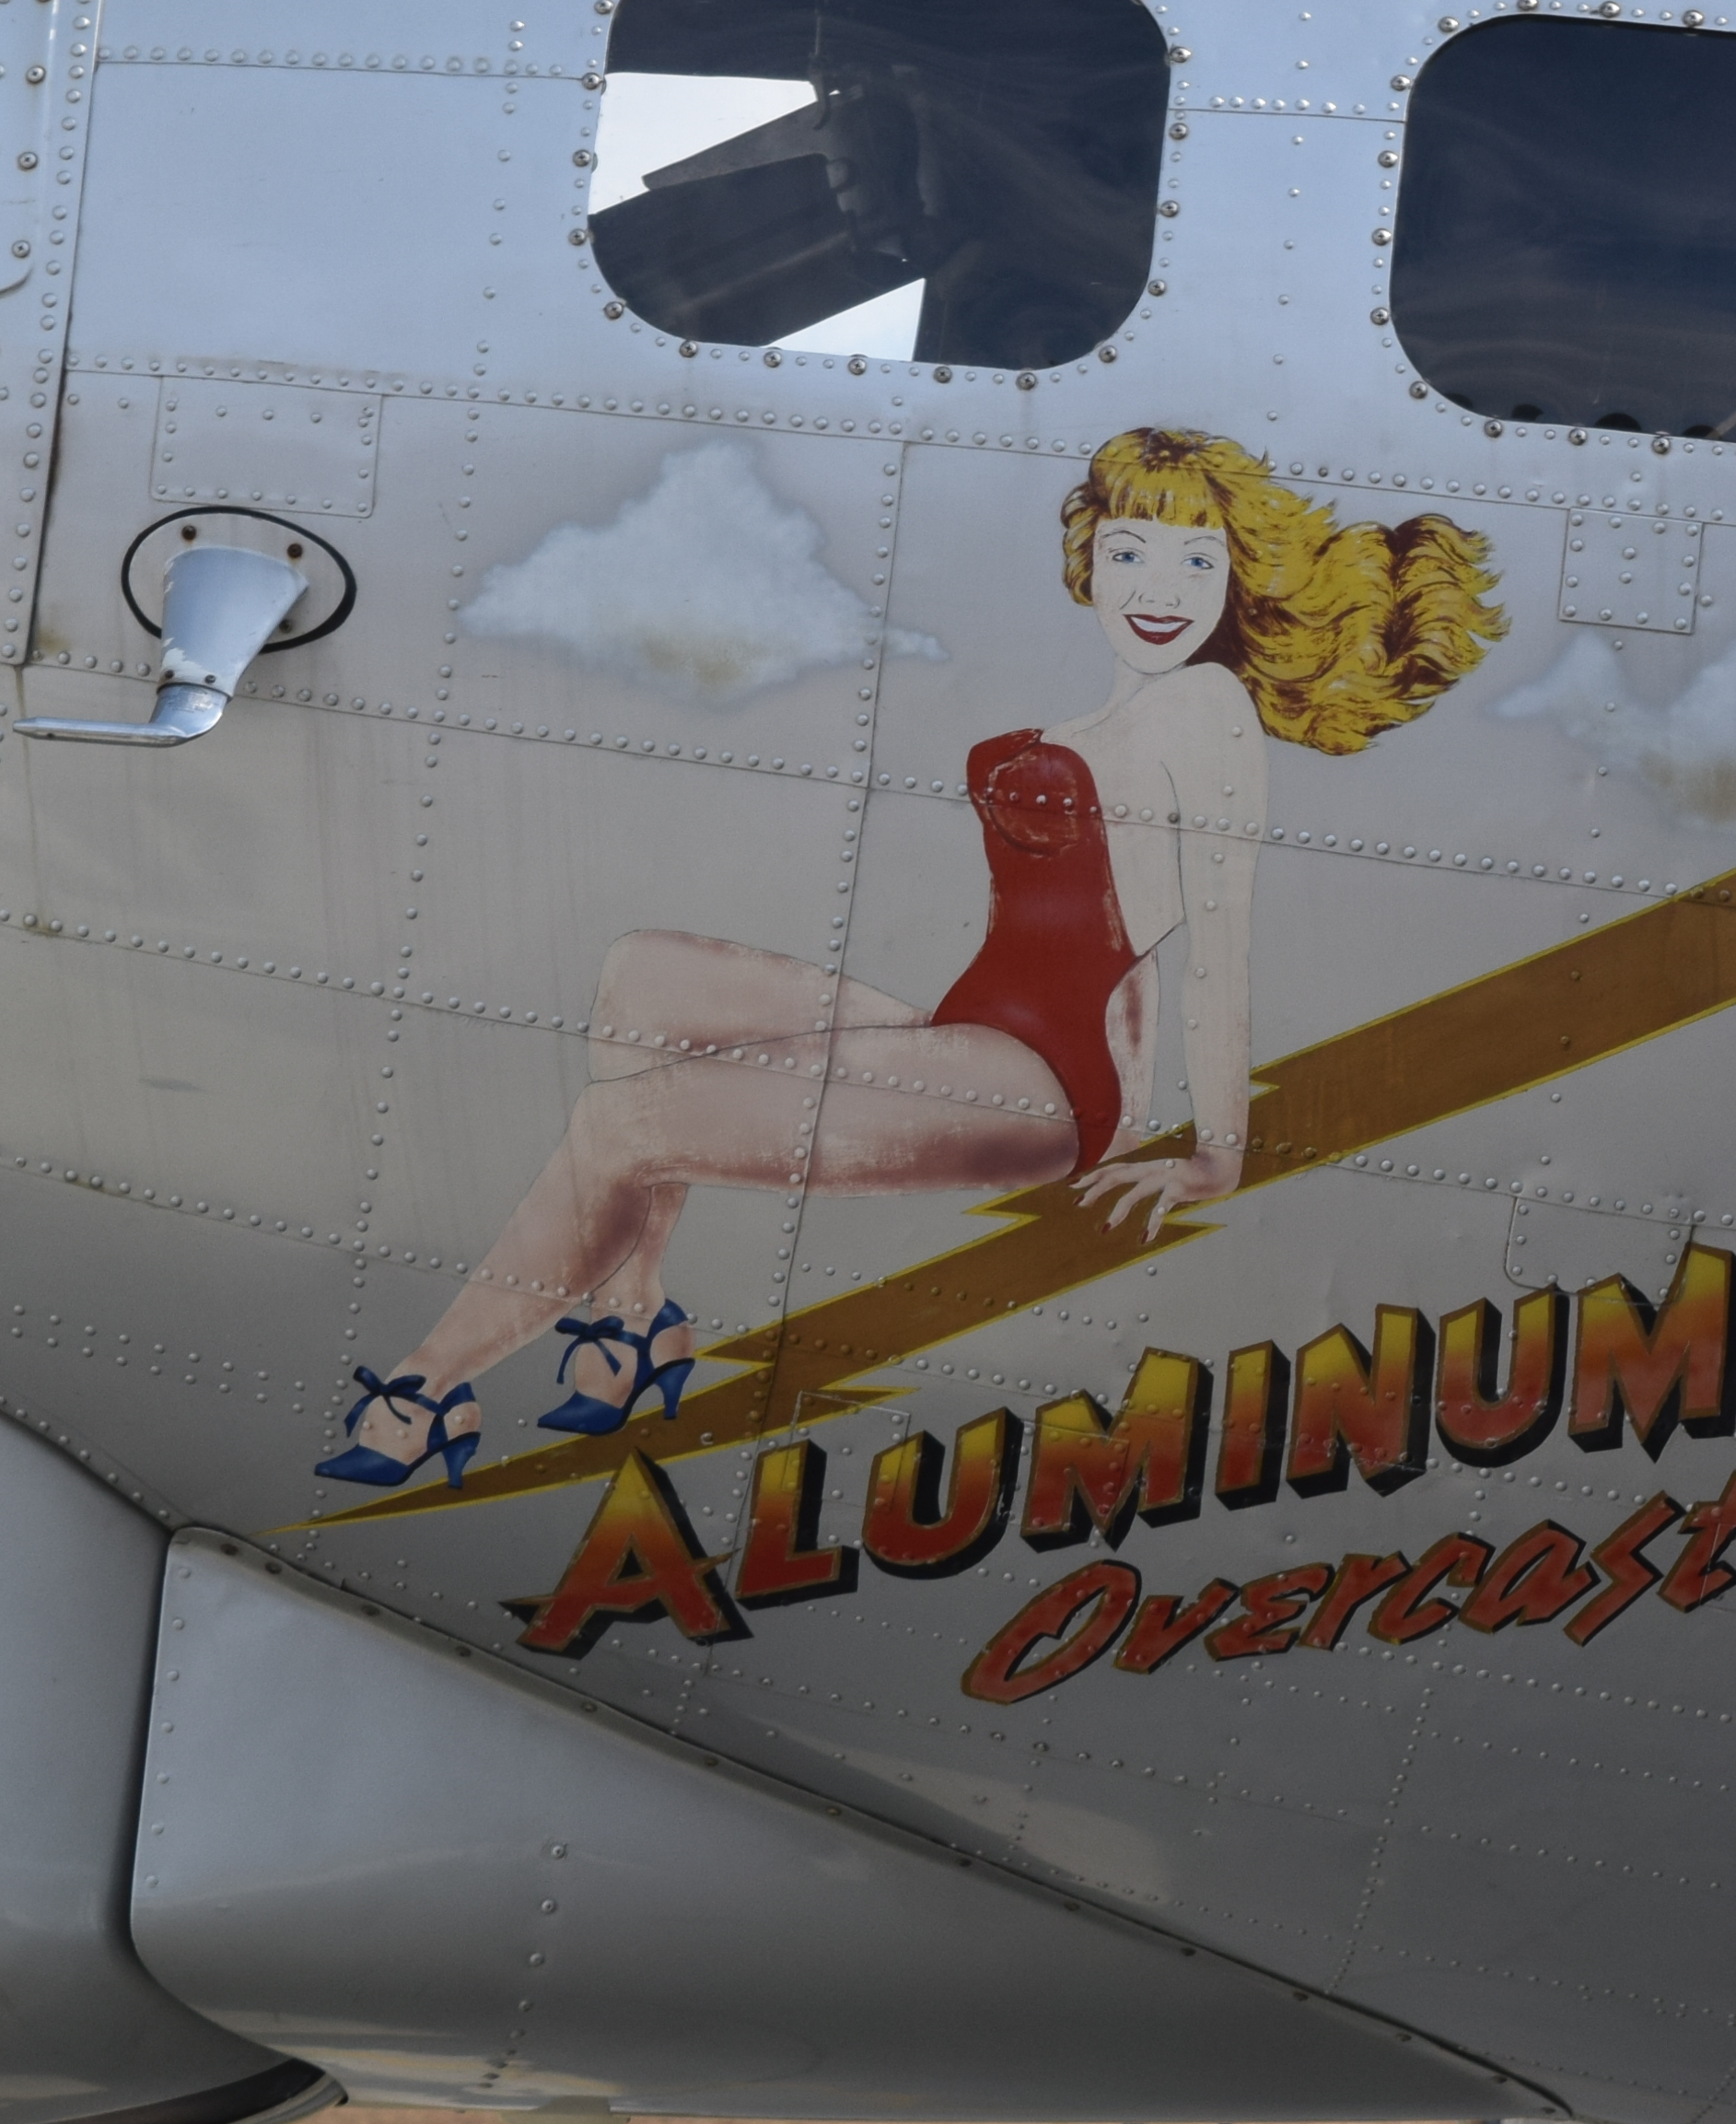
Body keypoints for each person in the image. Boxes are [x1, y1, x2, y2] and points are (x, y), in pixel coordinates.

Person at [321, 426, 1499, 1488]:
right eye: (1134, 551)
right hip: (975, 1031)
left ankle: (429, 1387)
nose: (1159, 589)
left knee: (625, 1128)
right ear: (1092, 560)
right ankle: (634, 1319)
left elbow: (1217, 950)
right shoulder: (1096, 721)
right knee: (644, 974)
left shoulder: (1207, 713)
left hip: (1044, 1078)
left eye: (1199, 562)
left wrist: (1214, 1156)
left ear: (1243, 579)